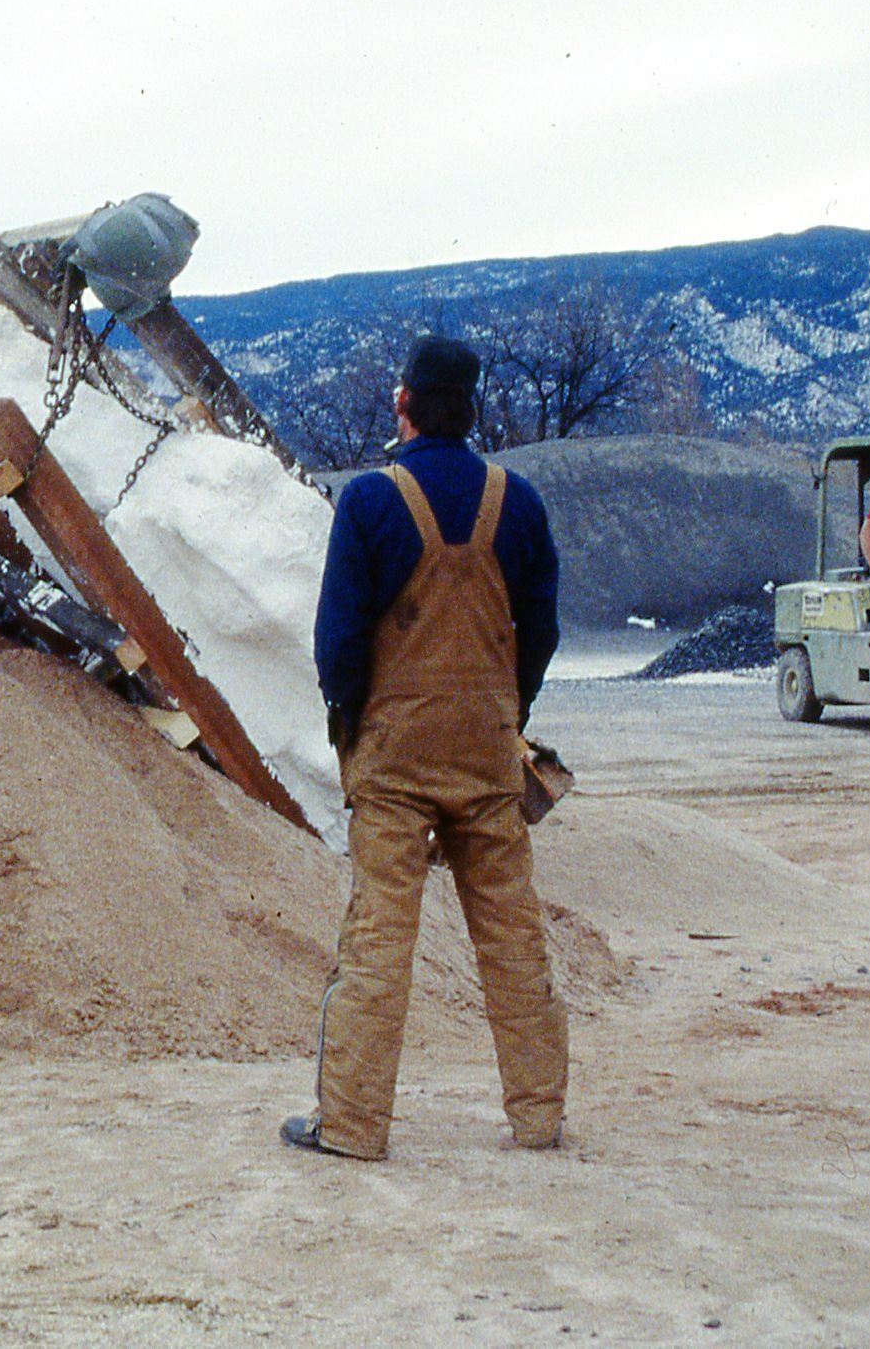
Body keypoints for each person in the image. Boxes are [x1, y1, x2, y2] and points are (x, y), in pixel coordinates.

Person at [282, 333, 566, 1162]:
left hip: (395, 758)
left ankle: (353, 1126)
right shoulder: (519, 502)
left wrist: (351, 722)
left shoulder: (368, 501)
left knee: (377, 939)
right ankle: (540, 1116)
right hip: (484, 752)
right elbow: (541, 631)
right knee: (512, 936)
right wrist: (504, 710)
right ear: (469, 408)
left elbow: (336, 640)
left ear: (401, 404)